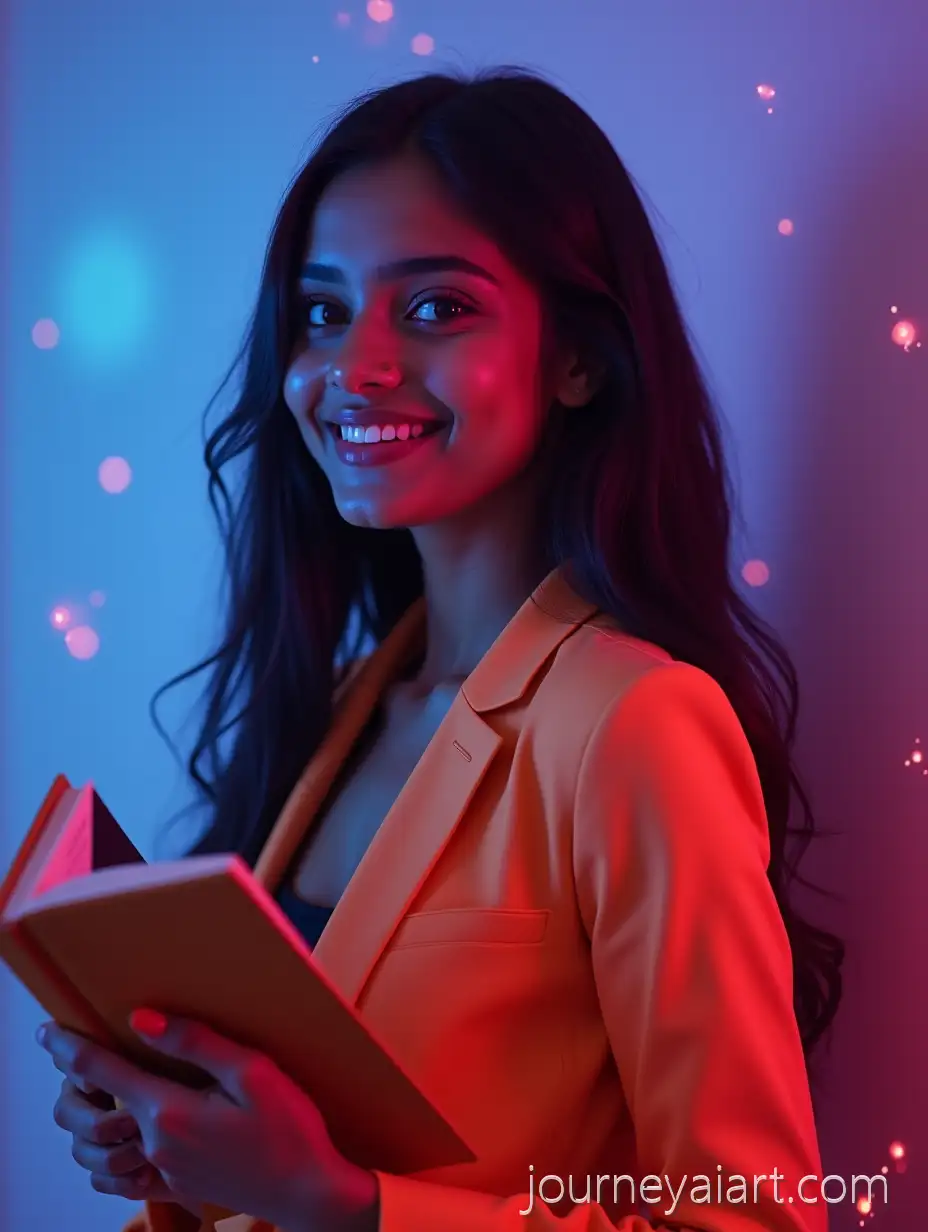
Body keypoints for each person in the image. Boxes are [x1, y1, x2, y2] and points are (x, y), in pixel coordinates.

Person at [37, 67, 843, 1232]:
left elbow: (752, 1218)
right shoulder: (335, 706)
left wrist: (348, 1205)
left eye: (432, 308)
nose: (352, 367)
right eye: (321, 311)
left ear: (576, 360)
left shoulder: (638, 725)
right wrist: (172, 1132)